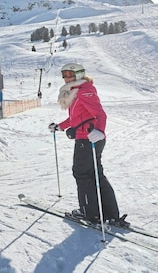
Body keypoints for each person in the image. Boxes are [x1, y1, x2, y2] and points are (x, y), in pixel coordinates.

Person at [48, 63, 128, 227]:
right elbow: (76, 118)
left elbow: (99, 113)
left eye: (69, 74)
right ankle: (110, 214)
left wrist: (99, 130)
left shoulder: (85, 90)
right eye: (64, 74)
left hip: (89, 139)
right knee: (95, 175)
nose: (66, 78)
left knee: (82, 174)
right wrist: (60, 126)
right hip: (88, 138)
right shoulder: (76, 92)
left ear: (78, 74)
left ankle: (89, 214)